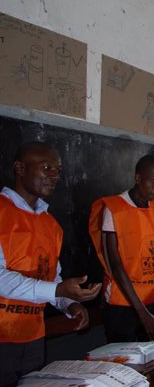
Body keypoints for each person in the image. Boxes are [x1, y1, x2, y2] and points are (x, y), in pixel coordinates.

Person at [0, 142, 101, 386]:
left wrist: (69, 303)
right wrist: (58, 290)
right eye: (46, 168)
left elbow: (50, 279)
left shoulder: (50, 224)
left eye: (58, 170)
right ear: (20, 168)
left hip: (34, 338)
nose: (55, 176)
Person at [88, 155, 154, 342]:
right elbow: (115, 265)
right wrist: (142, 314)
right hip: (122, 303)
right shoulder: (114, 208)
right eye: (153, 182)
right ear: (138, 178)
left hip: (152, 299)